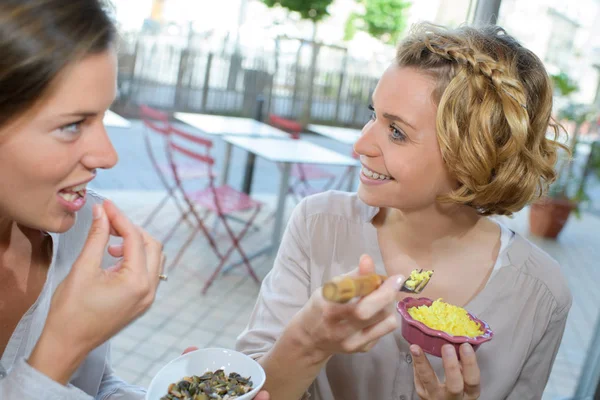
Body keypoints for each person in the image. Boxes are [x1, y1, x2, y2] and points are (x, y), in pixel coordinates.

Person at [236, 22, 572, 400]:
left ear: (473, 158)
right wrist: (309, 340)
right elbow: (245, 386)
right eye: (372, 114)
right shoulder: (318, 226)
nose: (360, 145)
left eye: (396, 132)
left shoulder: (540, 294)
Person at [0, 1, 273, 399]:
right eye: (72, 125)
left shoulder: (78, 231)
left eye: (103, 116)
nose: (109, 156)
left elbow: (88, 386)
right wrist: (62, 347)